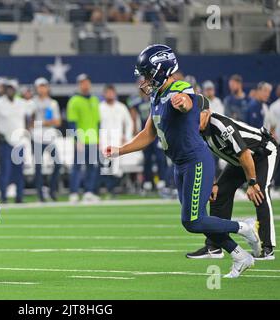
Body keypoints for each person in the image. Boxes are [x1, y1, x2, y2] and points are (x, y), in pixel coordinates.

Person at [104, 44, 261, 278]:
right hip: (179, 164)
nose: (143, 80)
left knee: (193, 221)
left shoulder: (179, 87)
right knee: (199, 220)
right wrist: (120, 150)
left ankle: (244, 227)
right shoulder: (157, 95)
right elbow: (149, 133)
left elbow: (187, 99)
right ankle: (240, 256)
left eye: (146, 74)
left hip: (195, 160)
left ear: (159, 70)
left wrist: (182, 103)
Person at [187, 105, 279, 260]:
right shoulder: (196, 131)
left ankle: (266, 248)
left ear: (207, 112)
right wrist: (213, 182)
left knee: (260, 192)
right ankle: (215, 246)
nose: (195, 120)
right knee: (218, 193)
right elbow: (204, 158)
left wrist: (252, 182)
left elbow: (244, 153)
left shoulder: (221, 125)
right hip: (239, 160)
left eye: (198, 115)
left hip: (262, 153)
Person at [0, 79, 34, 203]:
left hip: (19, 142)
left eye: (12, 88)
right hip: (4, 140)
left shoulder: (22, 103)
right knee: (4, 171)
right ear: (5, 90)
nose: (10, 90)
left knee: (19, 171)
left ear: (16, 90)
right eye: (8, 88)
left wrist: (27, 128)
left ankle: (19, 197)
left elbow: (31, 114)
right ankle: (4, 197)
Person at [67, 74, 101, 203]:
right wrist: (77, 139)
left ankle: (89, 192)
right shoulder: (74, 101)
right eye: (82, 83)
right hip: (81, 140)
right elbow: (72, 122)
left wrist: (99, 138)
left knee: (92, 168)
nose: (85, 85)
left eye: (86, 82)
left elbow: (98, 121)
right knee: (77, 167)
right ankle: (74, 193)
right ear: (79, 85)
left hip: (93, 139)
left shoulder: (95, 100)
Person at [128, 85, 168, 193]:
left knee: (160, 157)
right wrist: (134, 127)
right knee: (147, 158)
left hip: (157, 133)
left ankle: (162, 181)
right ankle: (147, 182)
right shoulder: (137, 101)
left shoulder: (156, 97)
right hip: (145, 133)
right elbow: (132, 110)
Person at [99, 84, 133, 197]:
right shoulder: (100, 107)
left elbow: (129, 123)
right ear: (104, 94)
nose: (110, 94)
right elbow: (96, 124)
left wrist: (126, 136)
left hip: (118, 141)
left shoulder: (121, 107)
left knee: (117, 167)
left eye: (112, 92)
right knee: (105, 166)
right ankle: (108, 189)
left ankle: (114, 189)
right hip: (104, 140)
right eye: (108, 92)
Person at [31, 77, 62, 202]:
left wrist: (40, 123)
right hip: (37, 138)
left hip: (50, 138)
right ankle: (40, 194)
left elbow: (58, 121)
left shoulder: (53, 103)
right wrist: (46, 123)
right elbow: (29, 123)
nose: (42, 89)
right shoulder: (31, 103)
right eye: (40, 86)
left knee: (58, 164)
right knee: (38, 167)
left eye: (44, 86)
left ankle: (52, 190)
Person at [269, 84, 280, 190]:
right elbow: (272, 124)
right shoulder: (274, 106)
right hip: (277, 140)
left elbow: (272, 124)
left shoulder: (274, 106)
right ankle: (275, 185)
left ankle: (275, 185)